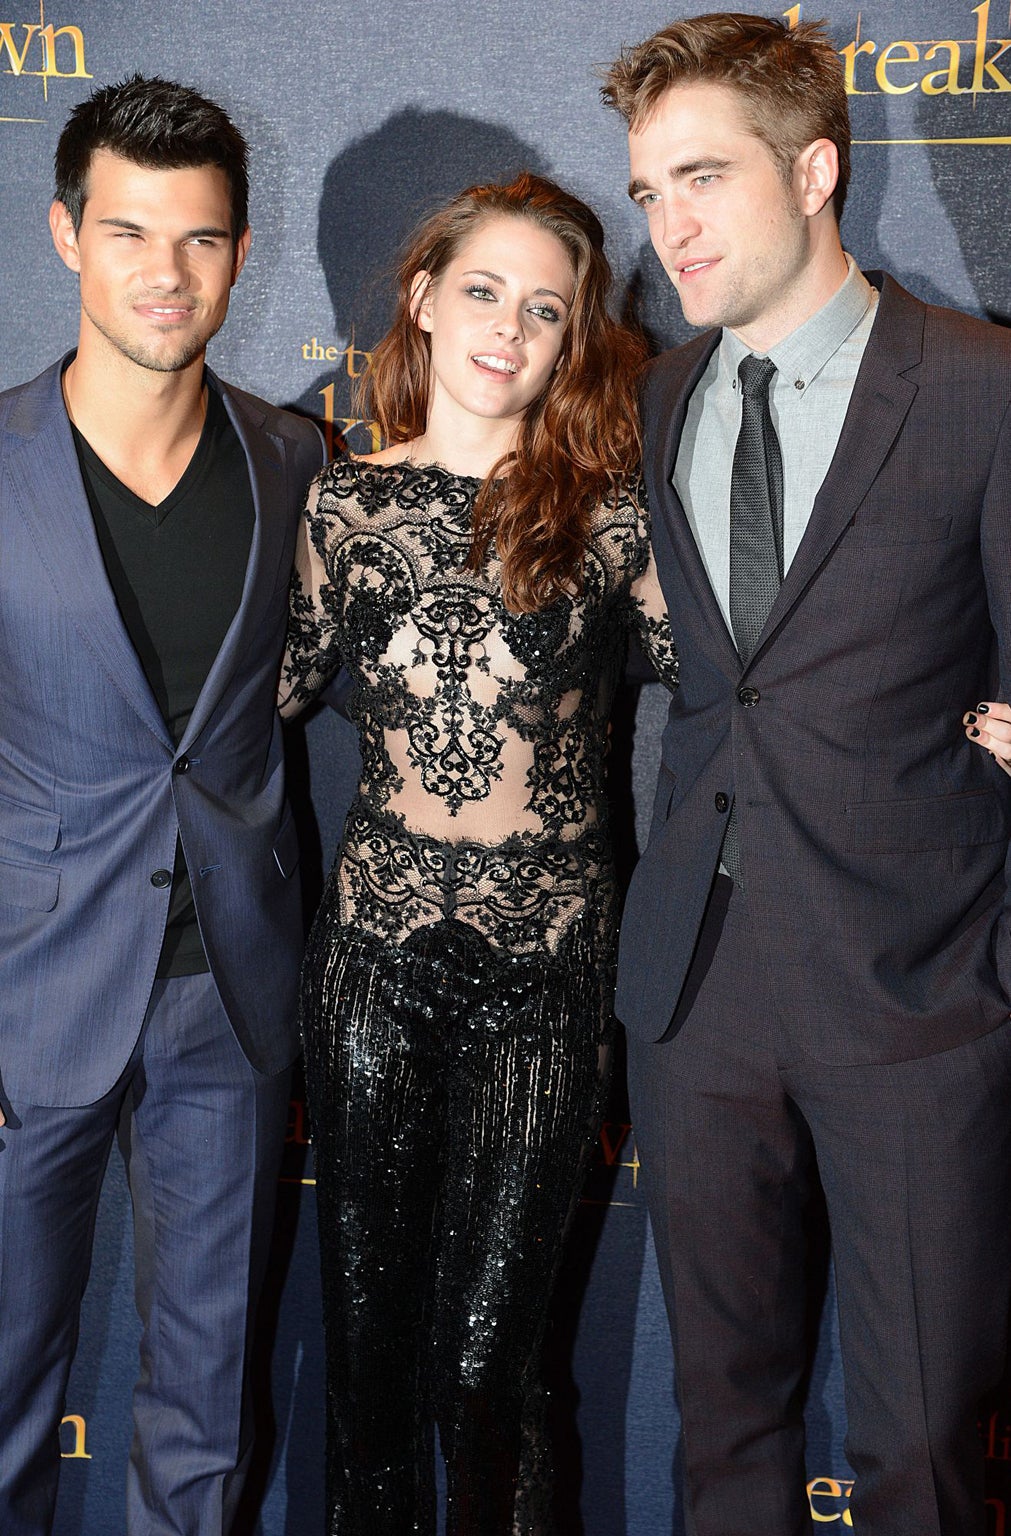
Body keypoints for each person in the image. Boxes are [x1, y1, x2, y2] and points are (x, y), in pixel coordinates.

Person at [600, 14, 1011, 1536]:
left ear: (818, 167)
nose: (670, 224)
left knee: (917, 1459)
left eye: (701, 177)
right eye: (647, 192)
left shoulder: (982, 389)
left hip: (922, 1000)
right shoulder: (659, 398)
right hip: (698, 992)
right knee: (725, 1439)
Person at [278, 171, 676, 1534]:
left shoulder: (615, 516)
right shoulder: (341, 507)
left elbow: (755, 674)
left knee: (487, 1371)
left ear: (575, 343)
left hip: (547, 975)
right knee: (373, 1366)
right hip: (372, 967)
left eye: (548, 310)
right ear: (424, 300)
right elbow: (249, 701)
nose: (512, 327)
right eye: (487, 290)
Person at [0, 76, 324, 1534]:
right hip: (24, 1001)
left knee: (206, 1406)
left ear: (240, 256)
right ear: (67, 236)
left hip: (232, 1008)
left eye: (199, 240)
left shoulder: (294, 460)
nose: (165, 273)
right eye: (129, 231)